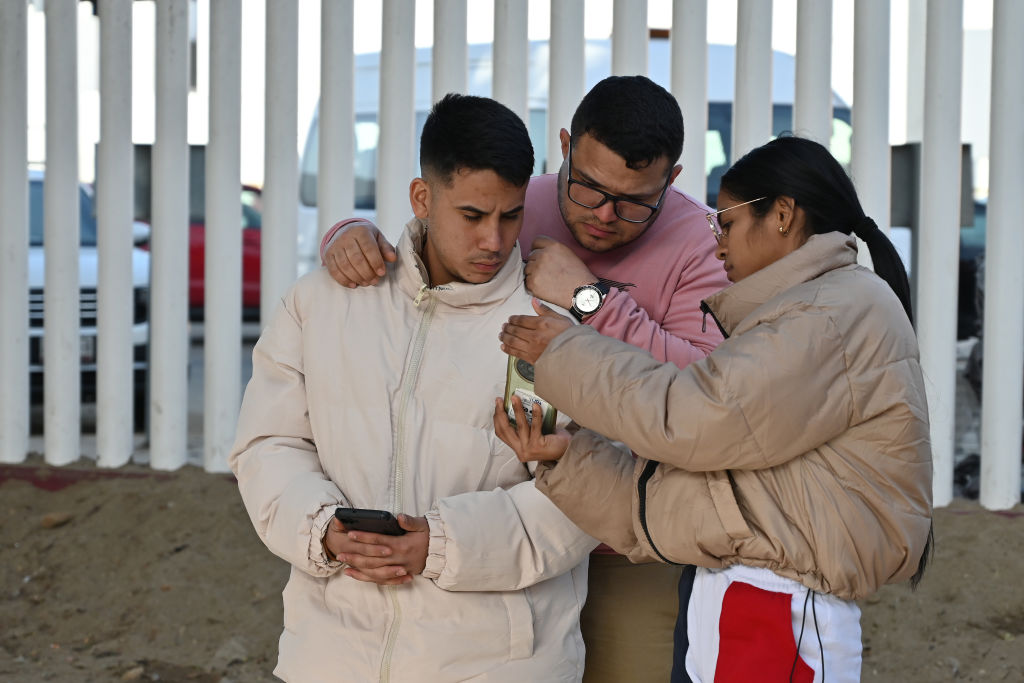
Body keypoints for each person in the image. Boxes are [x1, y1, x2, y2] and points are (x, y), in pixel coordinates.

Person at [318, 75, 729, 682]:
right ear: (564, 146)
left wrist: (593, 301)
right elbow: (424, 254)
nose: (604, 217)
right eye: (587, 189)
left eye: (635, 201)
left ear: (672, 179)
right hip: (501, 524)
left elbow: (706, 397)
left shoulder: (703, 244)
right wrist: (345, 236)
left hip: (630, 540)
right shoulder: (516, 202)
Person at [493, 136, 934, 683]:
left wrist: (564, 349)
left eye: (724, 222)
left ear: (782, 214)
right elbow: (705, 493)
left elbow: (689, 423)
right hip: (745, 598)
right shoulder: (813, 308)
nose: (716, 243)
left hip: (776, 609)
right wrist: (566, 457)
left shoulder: (830, 313)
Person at [229, 94, 597, 682]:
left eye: (511, 216)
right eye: (473, 215)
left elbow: (582, 496)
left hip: (500, 664)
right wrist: (321, 528)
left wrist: (445, 544)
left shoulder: (554, 329)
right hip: (330, 658)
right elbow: (268, 444)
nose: (494, 241)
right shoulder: (321, 303)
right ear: (422, 198)